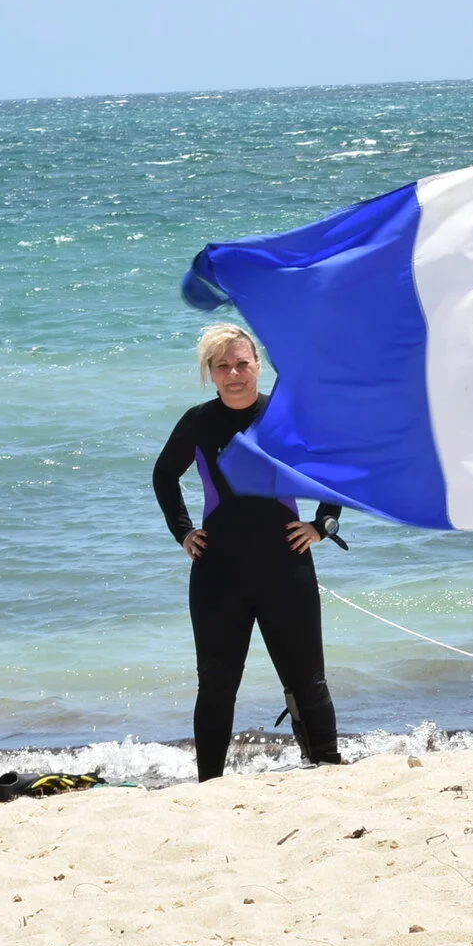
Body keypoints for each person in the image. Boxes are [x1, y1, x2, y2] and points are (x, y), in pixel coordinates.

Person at [152, 323, 345, 781]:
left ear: (258, 365)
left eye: (242, 363)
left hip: (286, 566)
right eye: (223, 366)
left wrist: (322, 525)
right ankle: (210, 782)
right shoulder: (199, 422)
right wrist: (183, 532)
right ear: (210, 374)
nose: (234, 374)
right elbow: (164, 476)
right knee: (217, 685)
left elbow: (334, 465)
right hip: (219, 573)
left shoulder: (284, 415)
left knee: (307, 680)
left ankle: (327, 768)